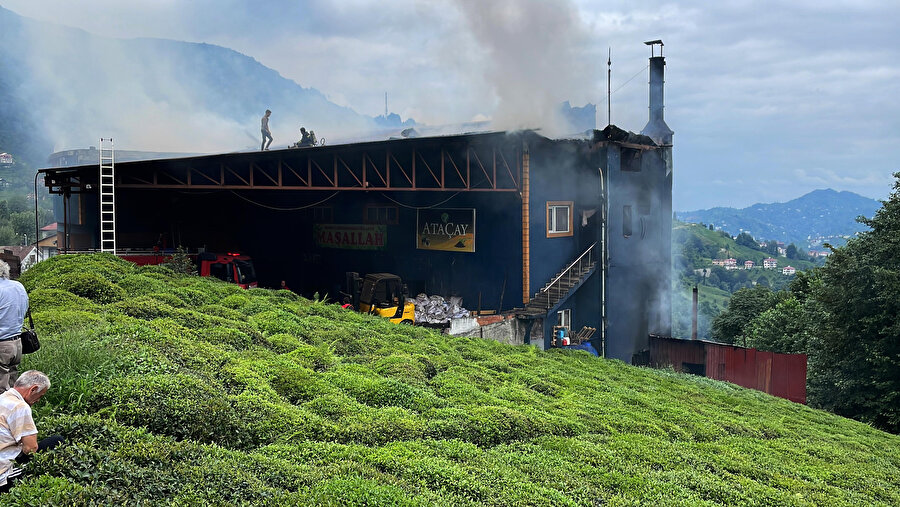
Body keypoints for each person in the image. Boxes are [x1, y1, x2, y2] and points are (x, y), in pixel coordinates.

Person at [0, 371, 63, 493]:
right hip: (3, 476)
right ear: (33, 389)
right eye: (41, 396)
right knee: (57, 441)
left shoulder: (2, 398)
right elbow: (31, 449)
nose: (38, 400)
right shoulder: (20, 406)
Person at [0, 260, 28, 390]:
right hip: (17, 343)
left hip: (2, 345)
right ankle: (16, 410)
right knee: (12, 387)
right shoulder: (18, 286)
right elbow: (25, 308)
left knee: (1, 390)